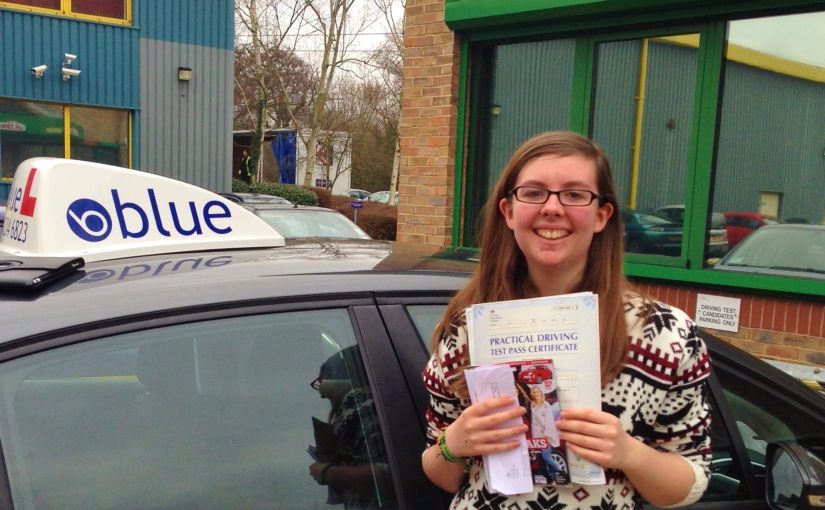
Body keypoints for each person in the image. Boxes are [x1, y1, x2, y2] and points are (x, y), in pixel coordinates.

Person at [421, 131, 710, 508]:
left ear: (602, 215)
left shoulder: (666, 335)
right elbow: (440, 473)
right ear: (508, 211)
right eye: (534, 192)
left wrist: (628, 453)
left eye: (574, 194)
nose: (552, 208)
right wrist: (454, 442)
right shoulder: (467, 327)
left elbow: (690, 483)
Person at [308, 347, 390, 510]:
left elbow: (390, 472)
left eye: (323, 383)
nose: (322, 396)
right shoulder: (366, 409)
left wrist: (328, 473)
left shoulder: (363, 411)